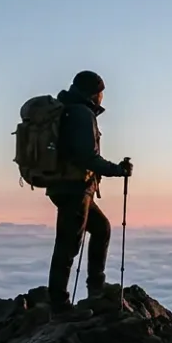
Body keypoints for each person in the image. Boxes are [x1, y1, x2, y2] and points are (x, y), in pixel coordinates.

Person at [45, 70, 133, 309]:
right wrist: (118, 170)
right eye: (101, 92)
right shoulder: (81, 113)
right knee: (68, 245)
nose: (102, 97)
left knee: (101, 228)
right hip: (75, 187)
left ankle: (96, 288)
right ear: (95, 93)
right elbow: (87, 157)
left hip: (63, 186)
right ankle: (60, 306)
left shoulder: (67, 109)